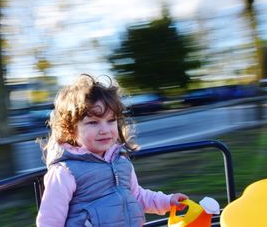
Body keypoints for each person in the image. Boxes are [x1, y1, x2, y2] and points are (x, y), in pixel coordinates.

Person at [36, 74, 188, 227]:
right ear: (70, 129)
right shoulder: (65, 173)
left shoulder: (121, 161)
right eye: (93, 123)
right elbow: (49, 222)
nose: (105, 130)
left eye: (111, 121)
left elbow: (136, 195)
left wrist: (167, 201)